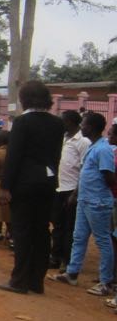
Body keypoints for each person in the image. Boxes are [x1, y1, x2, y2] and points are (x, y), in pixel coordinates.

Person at [0, 80, 65, 294]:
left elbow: (14, 156)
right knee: (42, 231)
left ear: (24, 99)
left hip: (24, 183)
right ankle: (37, 281)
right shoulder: (58, 124)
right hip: (48, 182)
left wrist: (5, 186)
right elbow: (56, 155)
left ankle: (19, 280)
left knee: (22, 230)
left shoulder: (22, 122)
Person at [51, 112, 115, 297]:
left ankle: (106, 282)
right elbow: (85, 173)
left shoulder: (103, 150)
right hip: (84, 200)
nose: (82, 127)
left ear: (92, 128)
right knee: (78, 237)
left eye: (84, 124)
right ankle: (72, 273)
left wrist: (96, 191)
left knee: (103, 241)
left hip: (97, 202)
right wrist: (76, 194)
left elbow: (109, 177)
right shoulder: (93, 147)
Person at [50, 110, 88, 271]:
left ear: (71, 122)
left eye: (63, 121)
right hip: (59, 188)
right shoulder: (63, 138)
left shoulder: (83, 141)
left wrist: (75, 193)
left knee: (69, 227)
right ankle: (55, 257)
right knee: (57, 224)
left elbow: (85, 169)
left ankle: (67, 260)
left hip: (72, 190)